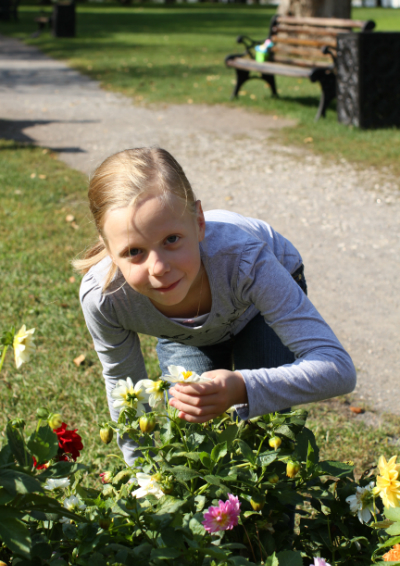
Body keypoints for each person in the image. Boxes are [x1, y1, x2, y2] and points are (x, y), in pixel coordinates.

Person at [74, 147, 356, 466]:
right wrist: (144, 474)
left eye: (171, 239)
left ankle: (271, 498)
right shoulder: (105, 297)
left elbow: (337, 369)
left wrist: (243, 389)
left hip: (256, 310)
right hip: (189, 335)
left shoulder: (247, 260)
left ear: (198, 222)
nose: (159, 268)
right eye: (134, 251)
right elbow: (124, 387)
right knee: (195, 439)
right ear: (108, 248)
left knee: (263, 432)